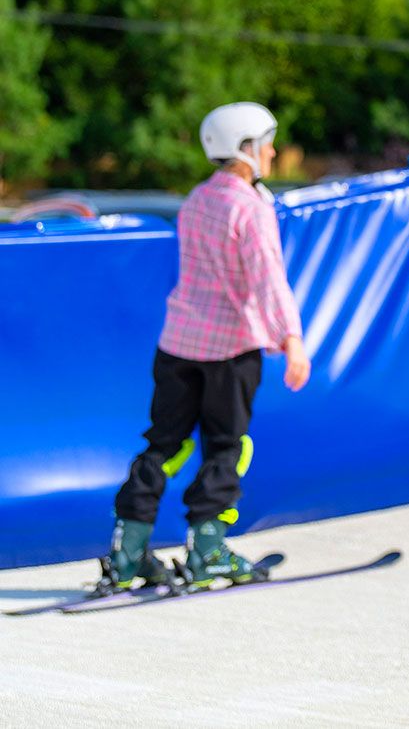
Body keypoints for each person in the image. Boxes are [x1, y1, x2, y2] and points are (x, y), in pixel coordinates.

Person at [103, 102, 310, 592]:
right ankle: (207, 550)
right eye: (267, 143)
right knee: (226, 447)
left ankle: (128, 553)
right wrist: (291, 338)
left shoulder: (197, 199)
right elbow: (268, 280)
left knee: (164, 445)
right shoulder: (251, 207)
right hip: (231, 351)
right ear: (246, 150)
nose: (274, 151)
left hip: (177, 344)